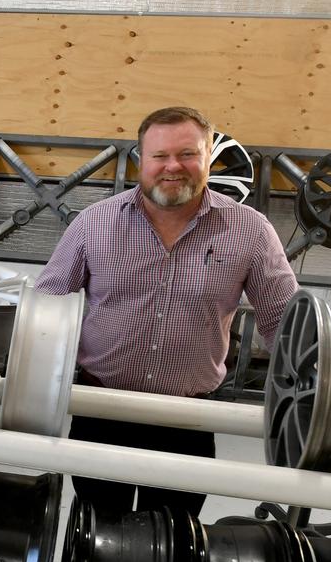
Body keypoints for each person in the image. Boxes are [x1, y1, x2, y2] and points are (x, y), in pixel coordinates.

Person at [34, 105, 298, 517]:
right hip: (102, 412)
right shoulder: (93, 223)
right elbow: (46, 307)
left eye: (188, 154)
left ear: (208, 157)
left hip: (187, 419)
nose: (173, 166)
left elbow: (285, 324)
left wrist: (309, 390)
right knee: (95, 535)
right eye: (160, 156)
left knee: (173, 545)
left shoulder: (251, 231)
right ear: (142, 160)